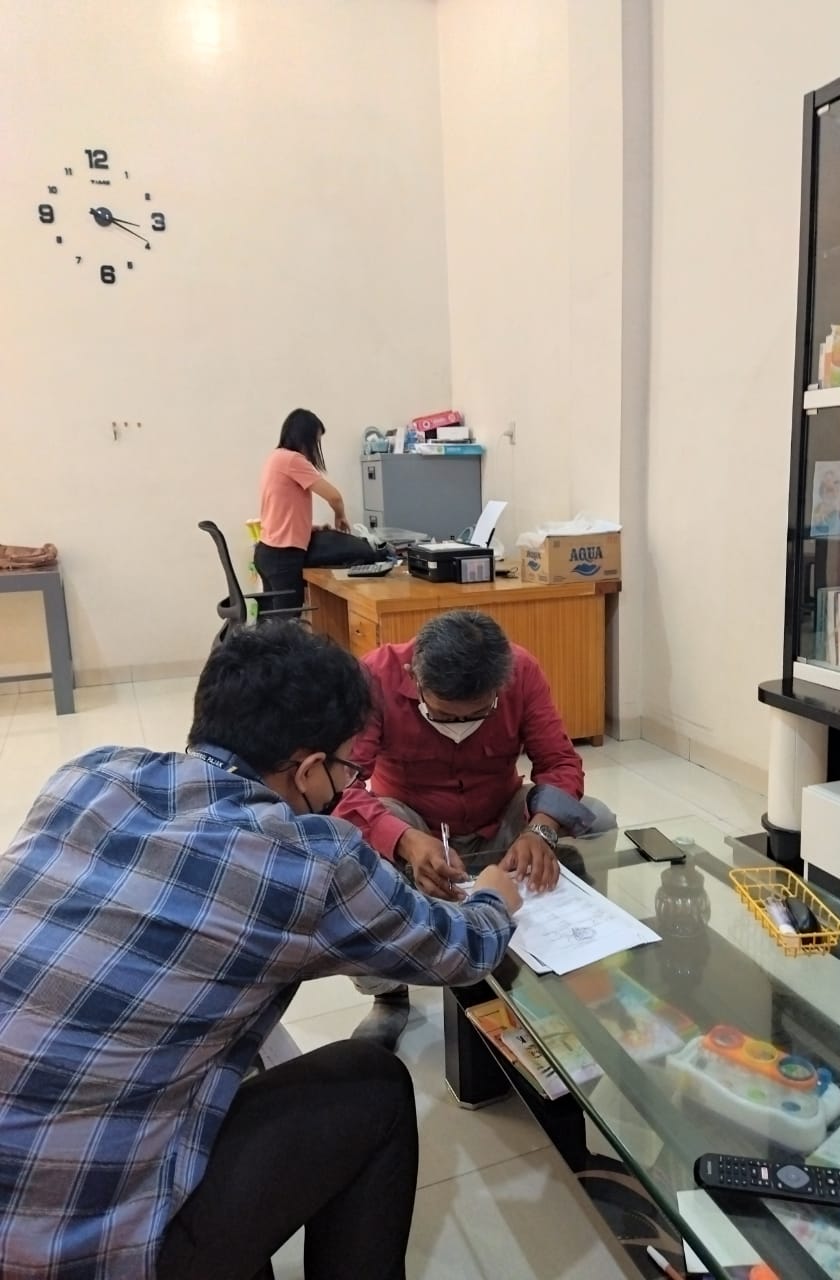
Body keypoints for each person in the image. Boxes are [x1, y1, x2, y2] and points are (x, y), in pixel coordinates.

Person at [0, 623, 519, 1280]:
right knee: (373, 1082)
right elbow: (461, 953)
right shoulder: (307, 859)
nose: (346, 784)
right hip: (75, 1252)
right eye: (346, 770)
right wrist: (495, 897)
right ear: (307, 770)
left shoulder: (89, 775)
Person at [335, 609, 616, 1049]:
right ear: (414, 675)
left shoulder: (521, 670)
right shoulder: (375, 676)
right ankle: (387, 994)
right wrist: (406, 840)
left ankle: (574, 944)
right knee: (349, 859)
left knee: (597, 819)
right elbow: (342, 786)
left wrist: (540, 830)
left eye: (480, 713)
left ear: (500, 686)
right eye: (444, 715)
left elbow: (559, 761)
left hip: (500, 814)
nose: (460, 726)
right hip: (412, 820)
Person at [253, 407, 379, 613]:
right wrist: (340, 516)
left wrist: (306, 528)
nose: (316, 447)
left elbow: (281, 509)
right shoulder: (293, 460)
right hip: (283, 557)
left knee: (274, 624)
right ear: (305, 437)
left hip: (267, 552)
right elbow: (334, 497)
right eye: (316, 440)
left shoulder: (275, 457)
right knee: (287, 625)